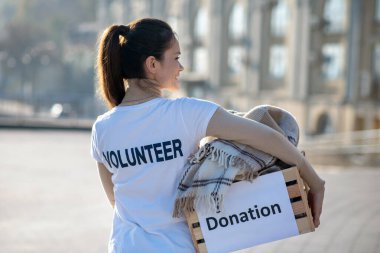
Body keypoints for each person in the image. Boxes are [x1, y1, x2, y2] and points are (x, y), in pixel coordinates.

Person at [91, 18, 325, 253]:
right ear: (152, 64)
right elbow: (270, 138)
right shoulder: (186, 113)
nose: (181, 67)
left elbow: (117, 202)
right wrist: (316, 183)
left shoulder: (102, 128)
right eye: (176, 58)